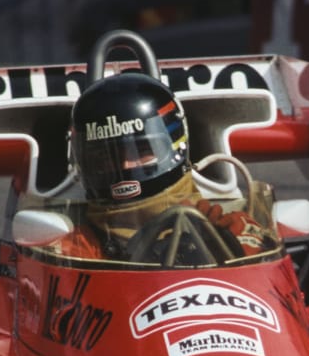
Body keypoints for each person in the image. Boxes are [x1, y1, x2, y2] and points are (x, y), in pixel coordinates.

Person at [44, 71, 277, 264]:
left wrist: (220, 244)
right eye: (106, 158)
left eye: (142, 151)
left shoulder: (230, 227)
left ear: (177, 145)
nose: (126, 166)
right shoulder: (78, 249)